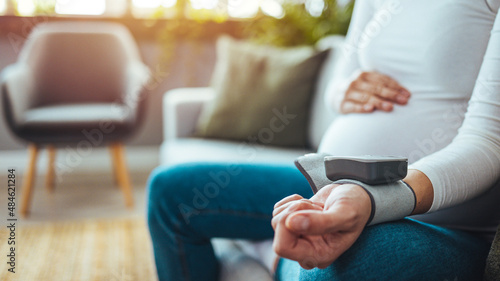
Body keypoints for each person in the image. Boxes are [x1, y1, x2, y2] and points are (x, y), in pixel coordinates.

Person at [147, 0, 500, 280]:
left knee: (337, 264)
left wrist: (380, 197)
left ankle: (274, 253)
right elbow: (341, 79)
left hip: (438, 220)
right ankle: (279, 247)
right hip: (329, 184)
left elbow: (488, 142)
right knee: (171, 193)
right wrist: (344, 91)